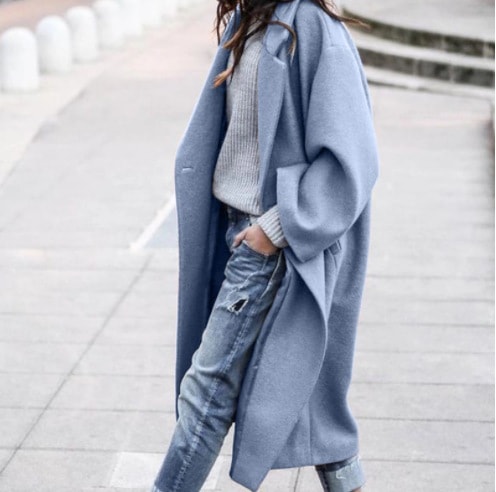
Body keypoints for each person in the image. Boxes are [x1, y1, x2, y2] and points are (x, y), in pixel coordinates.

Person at [151, 0, 379, 490]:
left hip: (267, 243)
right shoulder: (250, 19)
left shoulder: (313, 27)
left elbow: (353, 157)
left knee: (206, 391)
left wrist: (274, 231)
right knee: (312, 402)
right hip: (235, 231)